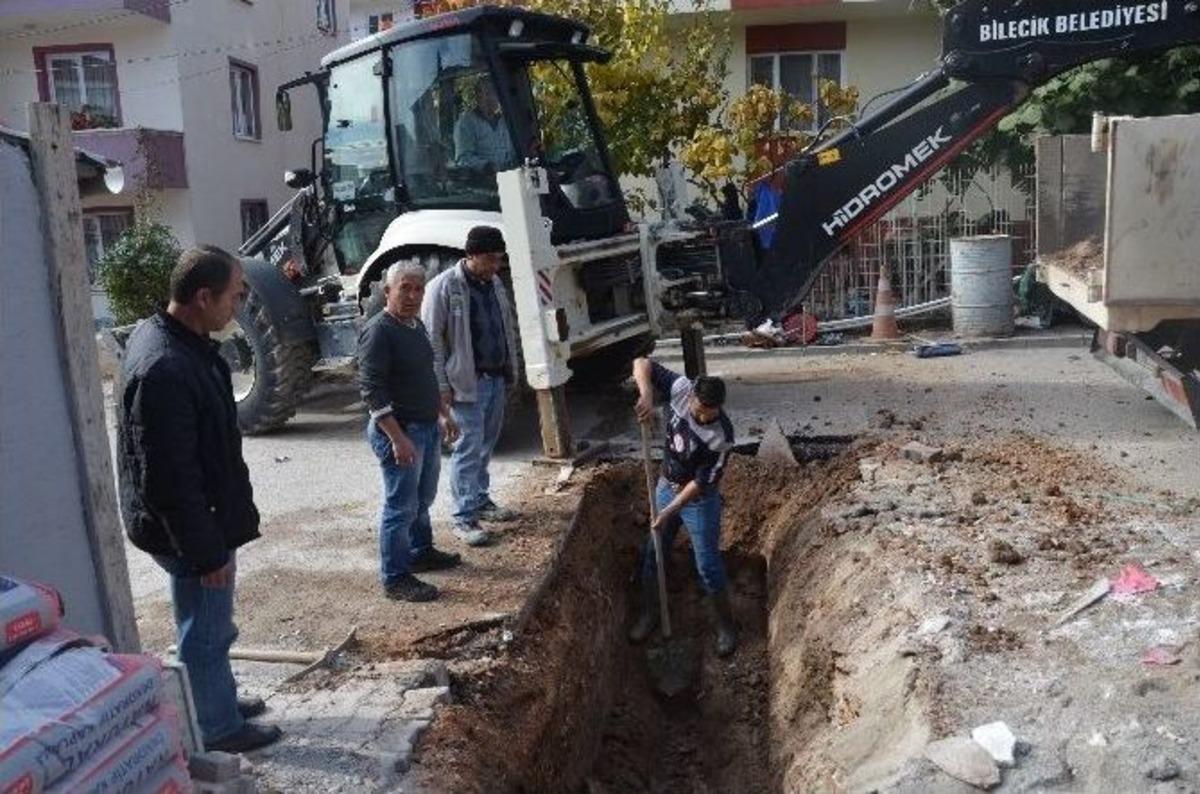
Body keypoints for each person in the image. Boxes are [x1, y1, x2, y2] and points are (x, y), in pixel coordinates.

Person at [117, 246, 282, 753]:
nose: (238, 306)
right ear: (203, 296)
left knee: (208, 623)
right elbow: (170, 479)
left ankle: (216, 697)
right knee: (207, 629)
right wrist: (206, 551)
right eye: (233, 295)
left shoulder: (180, 339)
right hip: (192, 527)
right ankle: (216, 727)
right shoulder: (166, 366)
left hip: (197, 520)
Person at [358, 262, 462, 602]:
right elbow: (372, 390)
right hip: (401, 431)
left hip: (426, 427)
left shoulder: (416, 326)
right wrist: (396, 437)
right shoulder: (379, 331)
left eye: (418, 289)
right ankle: (396, 577)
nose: (413, 295)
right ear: (388, 291)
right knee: (400, 506)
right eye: (405, 288)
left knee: (422, 499)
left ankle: (421, 552)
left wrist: (443, 415)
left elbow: (426, 378)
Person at [628, 356, 738, 657]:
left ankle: (726, 626)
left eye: (711, 414)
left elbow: (700, 484)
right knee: (654, 553)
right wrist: (647, 394)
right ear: (691, 396)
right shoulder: (680, 388)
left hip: (698, 500)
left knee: (707, 565)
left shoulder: (721, 435)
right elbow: (641, 362)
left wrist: (668, 510)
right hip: (666, 484)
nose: (704, 418)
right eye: (701, 412)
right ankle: (650, 614)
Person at [422, 226, 520, 547]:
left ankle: (480, 499)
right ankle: (464, 518)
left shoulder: (493, 285)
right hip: (466, 384)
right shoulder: (444, 287)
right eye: (490, 259)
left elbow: (505, 328)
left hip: (494, 378)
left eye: (499, 260)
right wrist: (440, 387)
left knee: (486, 444)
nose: (496, 266)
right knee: (467, 449)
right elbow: (432, 341)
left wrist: (511, 370)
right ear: (471, 255)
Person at [453, 79, 516, 171]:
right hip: (482, 181)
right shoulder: (466, 123)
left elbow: (512, 153)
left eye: (495, 93)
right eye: (487, 93)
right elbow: (463, 159)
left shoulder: (504, 122)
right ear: (478, 96)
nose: (492, 98)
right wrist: (486, 166)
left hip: (509, 177)